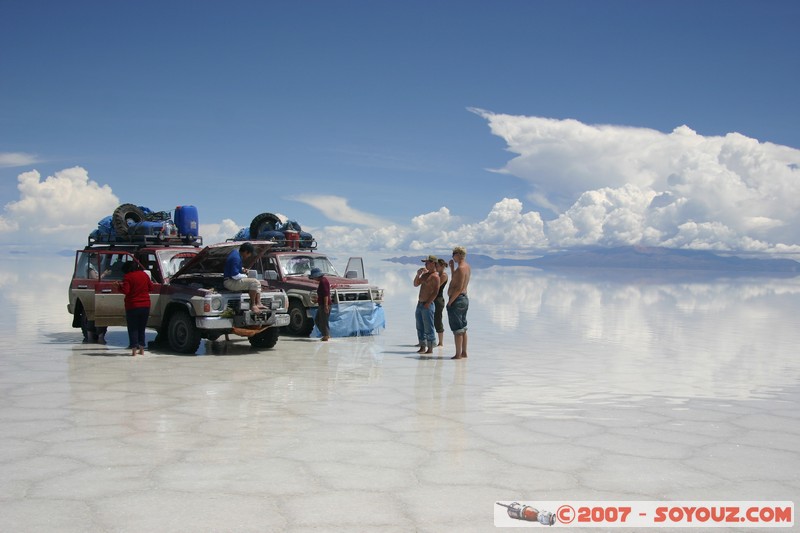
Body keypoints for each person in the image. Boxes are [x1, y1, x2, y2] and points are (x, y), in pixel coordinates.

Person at [120, 261, 154, 356]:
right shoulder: (144, 275)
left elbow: (126, 291)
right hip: (145, 305)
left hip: (133, 306)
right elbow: (151, 288)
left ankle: (134, 350)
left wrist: (118, 287)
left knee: (133, 328)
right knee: (141, 328)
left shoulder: (128, 277)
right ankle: (142, 349)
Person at [223, 242, 263, 312]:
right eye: (249, 254)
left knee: (256, 283)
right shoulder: (236, 258)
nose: (249, 256)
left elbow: (234, 267)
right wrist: (245, 276)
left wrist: (242, 269)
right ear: (246, 252)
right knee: (255, 282)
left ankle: (259, 303)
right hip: (229, 282)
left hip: (230, 280)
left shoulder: (235, 253)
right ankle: (253, 305)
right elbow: (235, 276)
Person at [447, 246, 471, 360]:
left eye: (454, 254)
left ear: (460, 255)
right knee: (463, 327)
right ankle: (464, 352)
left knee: (457, 329)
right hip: (463, 298)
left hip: (458, 299)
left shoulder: (461, 268)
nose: (453, 256)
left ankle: (458, 354)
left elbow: (459, 287)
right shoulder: (466, 267)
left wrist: (450, 301)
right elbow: (456, 280)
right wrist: (452, 268)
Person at [413, 255, 440, 354]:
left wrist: (428, 303)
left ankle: (430, 348)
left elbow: (436, 292)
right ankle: (422, 346)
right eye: (425, 263)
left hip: (427, 304)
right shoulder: (425, 275)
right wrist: (418, 275)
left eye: (427, 263)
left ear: (433, 263)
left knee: (429, 327)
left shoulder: (435, 276)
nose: (425, 264)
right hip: (420, 304)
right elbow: (416, 284)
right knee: (419, 326)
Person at [309, 267, 331, 341]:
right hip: (322, 304)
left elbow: (325, 294)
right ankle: (325, 334)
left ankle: (326, 335)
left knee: (323, 320)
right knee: (318, 319)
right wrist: (317, 300)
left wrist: (326, 306)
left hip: (325, 304)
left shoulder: (323, 282)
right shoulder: (323, 281)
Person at [434, 258, 449, 347]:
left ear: (442, 266)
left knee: (438, 319)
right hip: (434, 298)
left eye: (437, 266)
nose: (436, 268)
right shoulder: (437, 274)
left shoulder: (443, 275)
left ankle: (441, 342)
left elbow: (436, 286)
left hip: (438, 299)